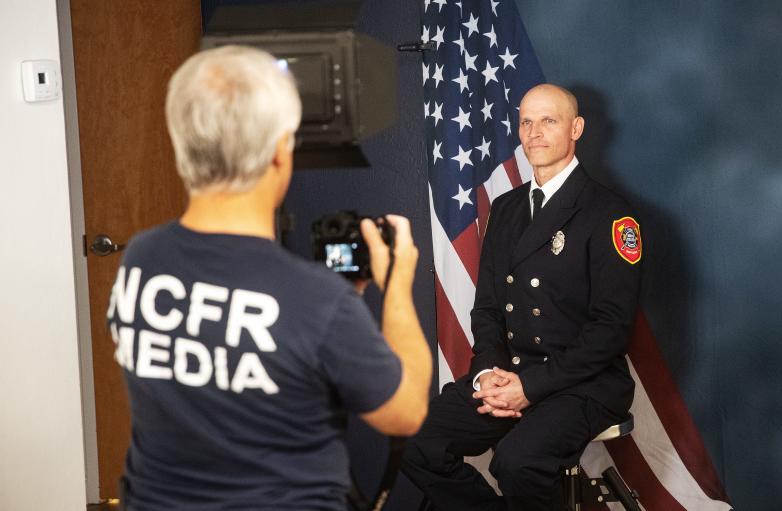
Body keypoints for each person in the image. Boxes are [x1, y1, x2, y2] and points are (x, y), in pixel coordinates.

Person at [105, 45, 432, 510]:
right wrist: (397, 287)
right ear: (280, 153)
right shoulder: (315, 300)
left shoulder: (141, 258)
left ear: (182, 146)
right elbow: (405, 412)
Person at [402, 84, 644, 510]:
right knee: (416, 439)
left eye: (548, 120)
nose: (533, 132)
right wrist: (488, 373)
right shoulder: (507, 207)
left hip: (581, 383)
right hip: (510, 373)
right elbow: (489, 307)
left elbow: (610, 331)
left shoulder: (609, 214)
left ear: (576, 128)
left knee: (516, 463)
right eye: (526, 121)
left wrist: (530, 387)